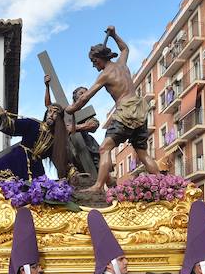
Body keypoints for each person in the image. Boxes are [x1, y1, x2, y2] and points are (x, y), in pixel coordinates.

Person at [65, 26, 158, 192]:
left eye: (94, 62)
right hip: (140, 110)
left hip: (125, 113)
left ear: (100, 59)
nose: (94, 66)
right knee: (142, 153)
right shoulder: (122, 65)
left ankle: (98, 185)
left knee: (104, 148)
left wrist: (72, 108)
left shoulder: (105, 74)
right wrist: (114, 35)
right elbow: (125, 48)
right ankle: (164, 184)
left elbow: (86, 97)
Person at [0, 74, 70, 180]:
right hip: (18, 158)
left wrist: (71, 173)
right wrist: (3, 115)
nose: (51, 114)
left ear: (59, 118)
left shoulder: (55, 140)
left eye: (55, 113)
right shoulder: (33, 124)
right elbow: (12, 126)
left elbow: (61, 160)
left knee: (37, 191)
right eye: (50, 111)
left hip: (36, 168)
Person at [68, 85, 101, 172]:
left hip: (87, 146)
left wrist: (75, 128)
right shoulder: (66, 111)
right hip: (70, 147)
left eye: (86, 94)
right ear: (74, 95)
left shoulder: (86, 113)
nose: (84, 95)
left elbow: (94, 124)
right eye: (81, 93)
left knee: (97, 170)